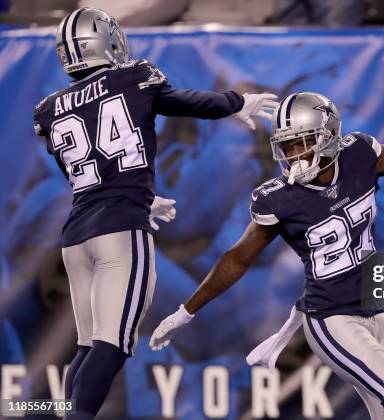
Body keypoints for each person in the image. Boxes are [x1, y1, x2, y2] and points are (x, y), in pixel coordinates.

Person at [149, 55, 384, 419]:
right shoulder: (278, 197)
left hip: (373, 309)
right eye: (288, 145)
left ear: (328, 136)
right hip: (331, 318)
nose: (295, 154)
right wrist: (186, 313)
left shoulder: (359, 157)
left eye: (303, 142)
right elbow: (238, 258)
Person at [32, 7, 278, 419]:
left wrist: (142, 198)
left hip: (76, 237)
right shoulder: (132, 77)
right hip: (119, 231)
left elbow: (88, 173)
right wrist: (236, 102)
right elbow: (182, 101)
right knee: (111, 346)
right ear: (104, 42)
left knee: (88, 345)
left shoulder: (50, 108)